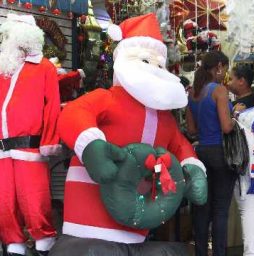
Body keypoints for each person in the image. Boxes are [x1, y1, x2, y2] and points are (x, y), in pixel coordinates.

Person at [49, 13, 207, 256]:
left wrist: (193, 168)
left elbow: (180, 144)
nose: (154, 70)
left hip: (138, 226)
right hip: (90, 221)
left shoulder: (165, 118)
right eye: (145, 61)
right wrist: (91, 146)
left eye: (159, 64)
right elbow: (74, 112)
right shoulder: (107, 99)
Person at [0, 14, 61, 256]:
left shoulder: (44, 67)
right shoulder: (3, 68)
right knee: (5, 200)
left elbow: (52, 106)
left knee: (34, 200)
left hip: (30, 146)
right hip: (3, 148)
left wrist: (49, 140)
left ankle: (43, 241)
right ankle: (13, 242)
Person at [186, 51, 237, 256]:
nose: (224, 72)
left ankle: (200, 252)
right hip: (221, 153)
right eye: (224, 68)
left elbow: (190, 130)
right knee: (220, 210)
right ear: (218, 66)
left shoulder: (193, 93)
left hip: (201, 153)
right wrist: (236, 116)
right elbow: (226, 127)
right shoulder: (219, 91)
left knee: (202, 207)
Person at [228, 65, 254, 256]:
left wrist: (234, 114)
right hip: (249, 170)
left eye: (231, 78)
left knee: (248, 212)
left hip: (248, 173)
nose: (228, 83)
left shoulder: (243, 111)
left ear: (242, 81)